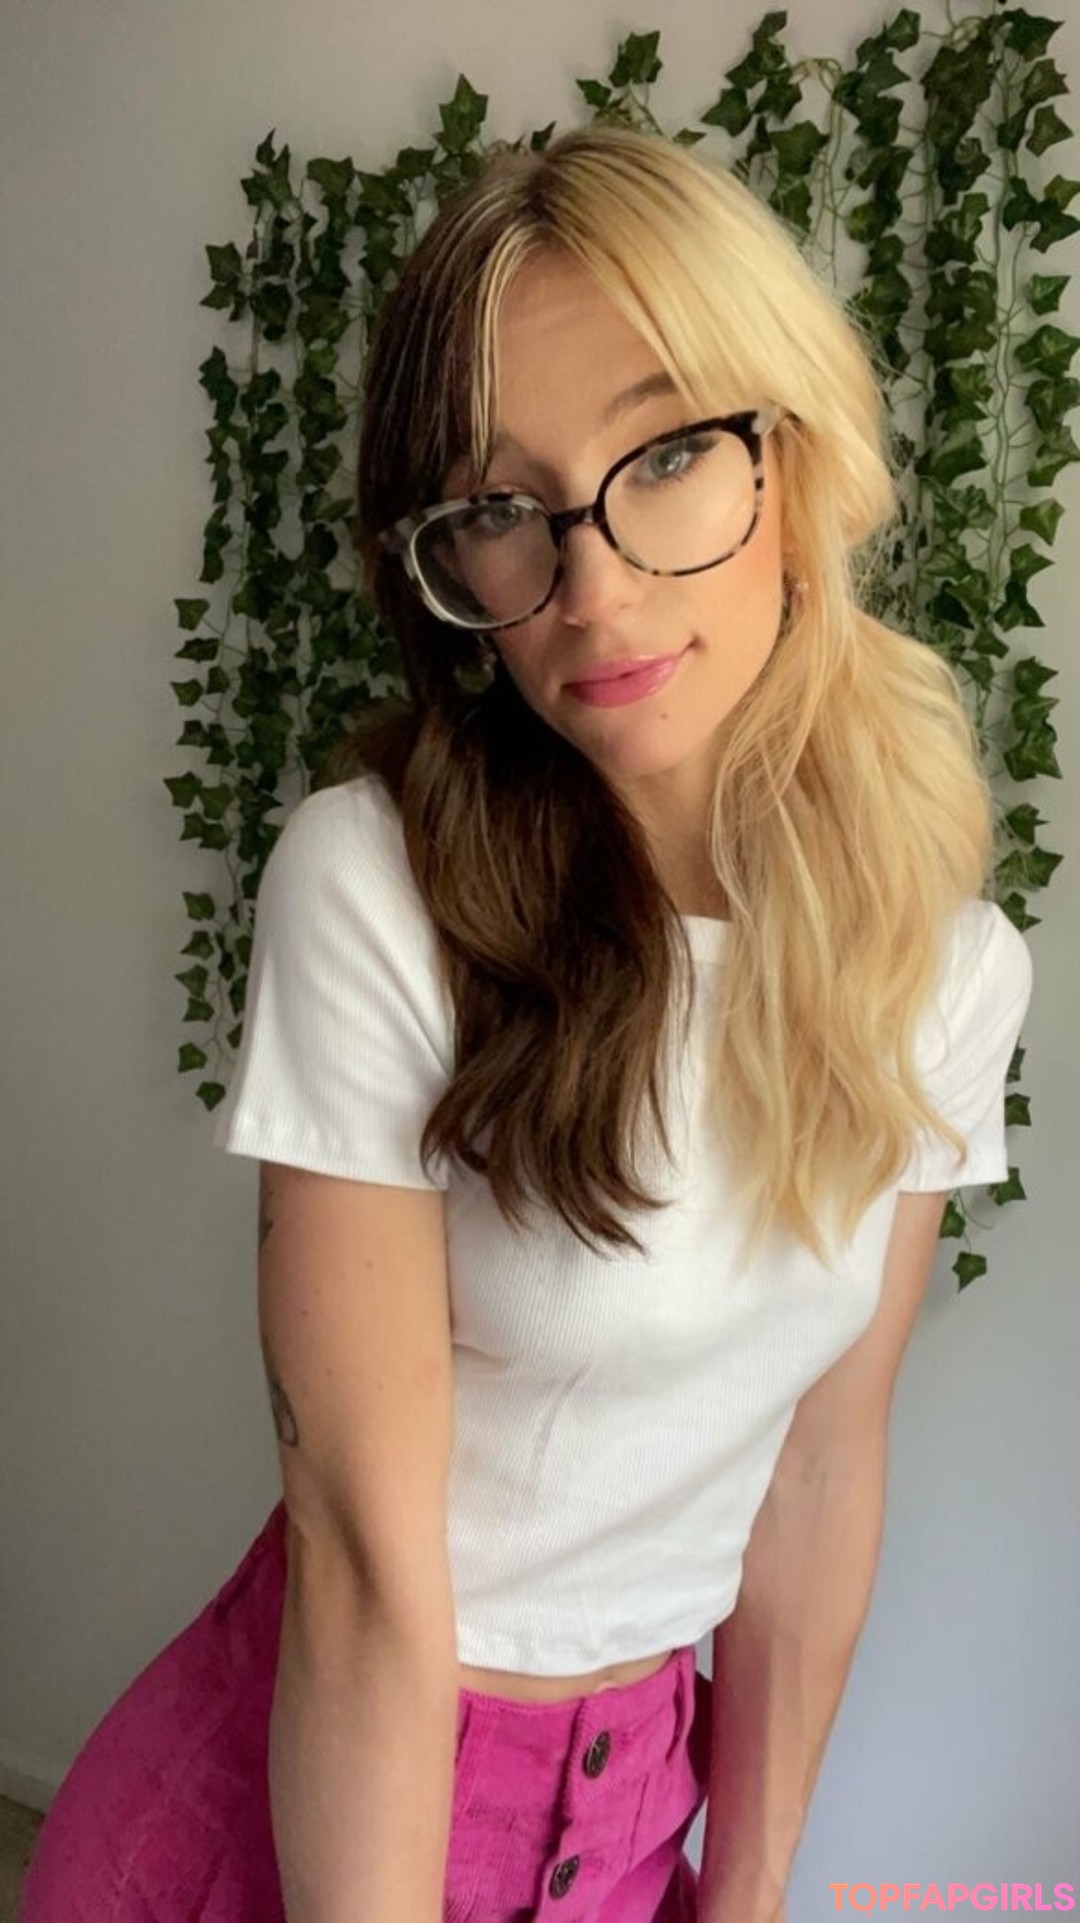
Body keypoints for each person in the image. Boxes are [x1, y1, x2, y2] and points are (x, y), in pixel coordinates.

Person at [22, 124, 1033, 1923]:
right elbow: (360, 1565)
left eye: (667, 456)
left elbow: (820, 1468)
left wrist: (748, 1893)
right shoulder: (380, 889)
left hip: (640, 1806)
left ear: (793, 459)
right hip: (333, 1802)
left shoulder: (945, 971)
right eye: (500, 509)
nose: (592, 587)